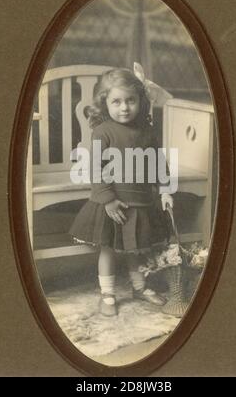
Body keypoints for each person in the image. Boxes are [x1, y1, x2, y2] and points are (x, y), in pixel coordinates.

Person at [69, 68, 174, 316]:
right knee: (109, 249)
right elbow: (96, 169)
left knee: (136, 248)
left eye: (130, 100)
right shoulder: (103, 132)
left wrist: (165, 190)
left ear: (140, 101)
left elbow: (159, 164)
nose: (124, 107)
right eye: (116, 101)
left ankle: (140, 287)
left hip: (139, 201)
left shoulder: (147, 132)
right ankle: (107, 294)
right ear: (105, 103)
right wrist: (108, 200)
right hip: (112, 202)